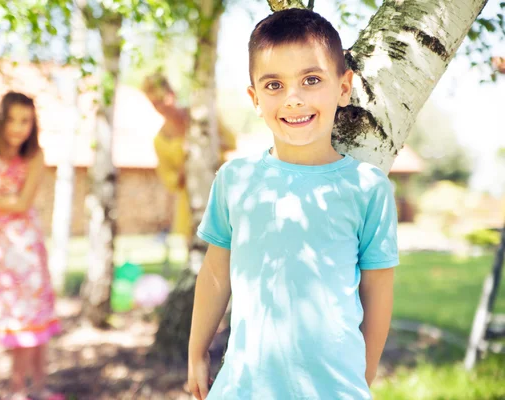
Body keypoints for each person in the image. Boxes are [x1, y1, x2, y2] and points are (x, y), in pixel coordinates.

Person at [187, 8, 398, 400]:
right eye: (273, 86)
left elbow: (378, 287)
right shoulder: (235, 179)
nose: (293, 99)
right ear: (254, 98)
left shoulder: (368, 187)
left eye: (311, 80)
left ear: (343, 86)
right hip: (243, 388)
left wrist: (361, 377)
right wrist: (196, 351)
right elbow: (216, 271)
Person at [0, 92, 64, 400]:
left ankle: (30, 388)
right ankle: (21, 388)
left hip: (23, 248)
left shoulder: (34, 156)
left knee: (31, 317)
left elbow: (22, 202)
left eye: (25, 121)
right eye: (12, 119)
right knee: (14, 317)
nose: (18, 127)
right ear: (0, 119)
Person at [142, 73, 236, 241]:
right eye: (155, 104)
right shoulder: (160, 140)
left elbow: (231, 142)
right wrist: (186, 162)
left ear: (173, 93)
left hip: (221, 190)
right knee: (198, 254)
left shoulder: (201, 115)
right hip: (192, 202)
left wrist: (202, 141)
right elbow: (170, 181)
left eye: (163, 100)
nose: (161, 107)